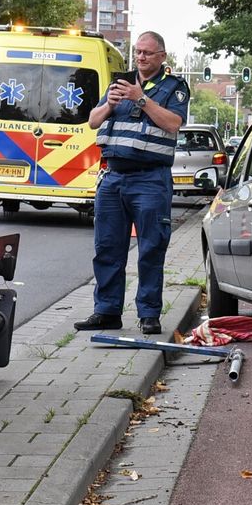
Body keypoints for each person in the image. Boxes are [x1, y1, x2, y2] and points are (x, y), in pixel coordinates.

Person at [75, 31, 190, 336]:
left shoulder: (173, 88)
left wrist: (142, 99)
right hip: (113, 177)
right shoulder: (120, 84)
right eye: (138, 52)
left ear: (161, 57)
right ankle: (107, 311)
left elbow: (173, 124)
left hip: (150, 179)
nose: (140, 57)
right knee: (107, 248)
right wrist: (110, 104)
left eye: (148, 53)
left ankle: (149, 314)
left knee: (151, 248)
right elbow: (93, 121)